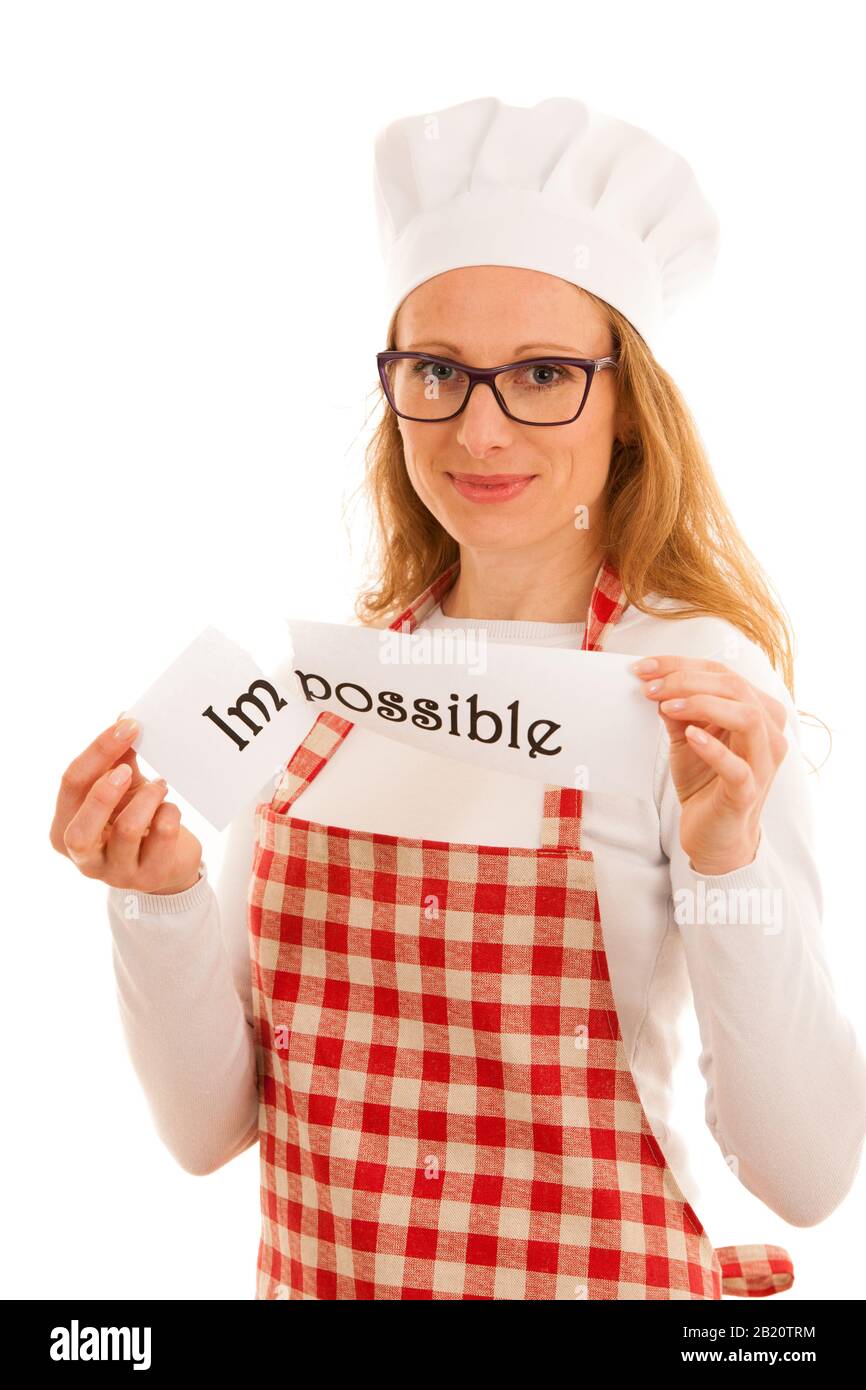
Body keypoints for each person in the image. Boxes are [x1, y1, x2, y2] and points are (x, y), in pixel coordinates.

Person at [50, 96, 866, 1301]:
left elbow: (804, 1172)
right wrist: (155, 902)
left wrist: (725, 860)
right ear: (394, 388)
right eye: (436, 369)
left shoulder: (691, 687)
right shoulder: (328, 688)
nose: (479, 430)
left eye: (541, 372)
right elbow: (210, 1131)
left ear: (626, 402)